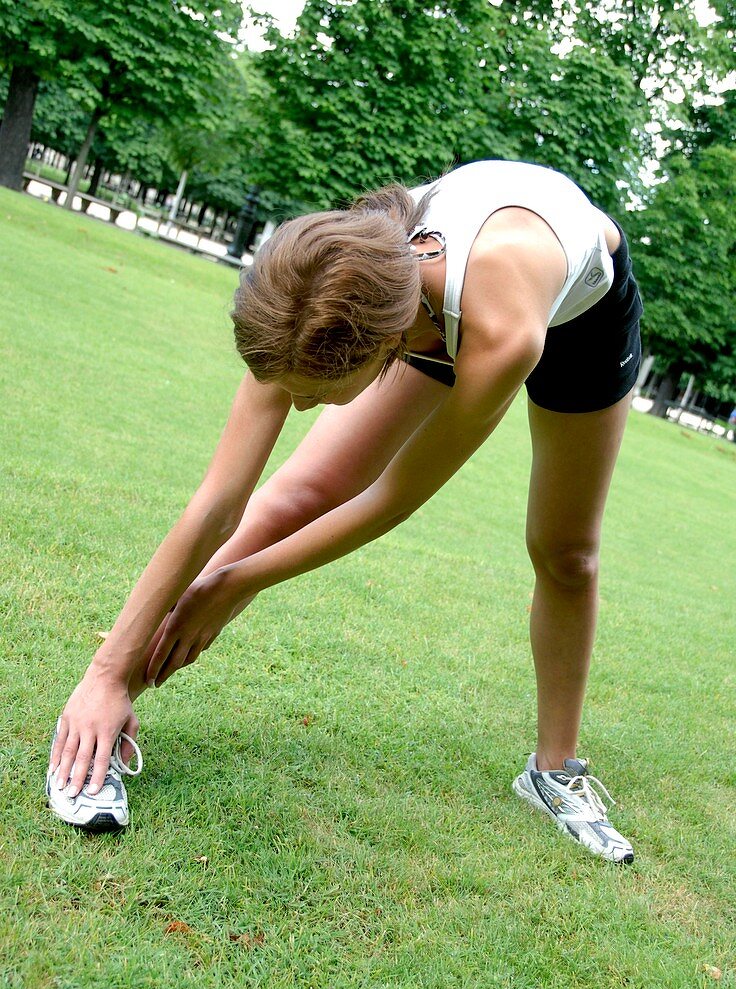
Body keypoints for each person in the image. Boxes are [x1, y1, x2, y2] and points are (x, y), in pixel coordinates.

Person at [47, 159, 642, 862]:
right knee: (296, 496)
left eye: (313, 393)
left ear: (387, 352)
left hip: (574, 316)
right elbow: (220, 501)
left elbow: (387, 498)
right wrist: (107, 668)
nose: (297, 406)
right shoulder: (312, 287)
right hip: (428, 299)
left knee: (566, 553)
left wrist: (239, 581)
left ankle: (553, 771)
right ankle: (104, 709)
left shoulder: (500, 329)